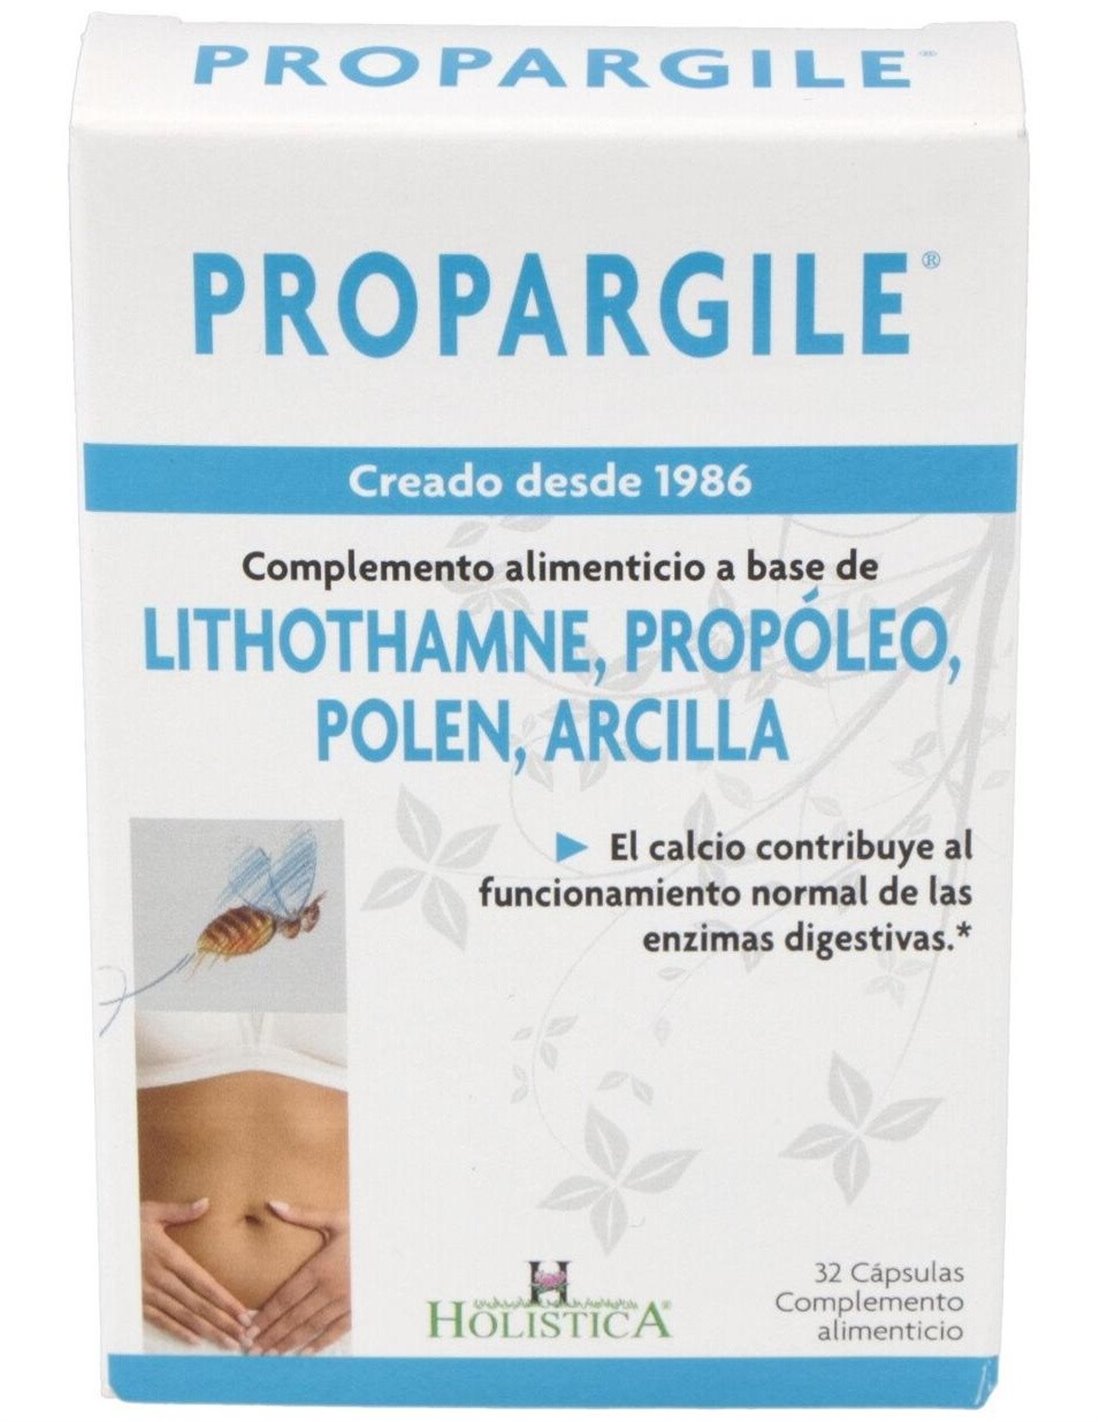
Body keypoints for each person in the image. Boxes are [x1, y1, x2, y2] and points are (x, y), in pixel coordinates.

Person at [136, 1010, 350, 1355]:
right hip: (158, 1318)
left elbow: (438, 1127)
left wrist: (382, 1245)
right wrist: (110, 1234)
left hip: (334, 1324)